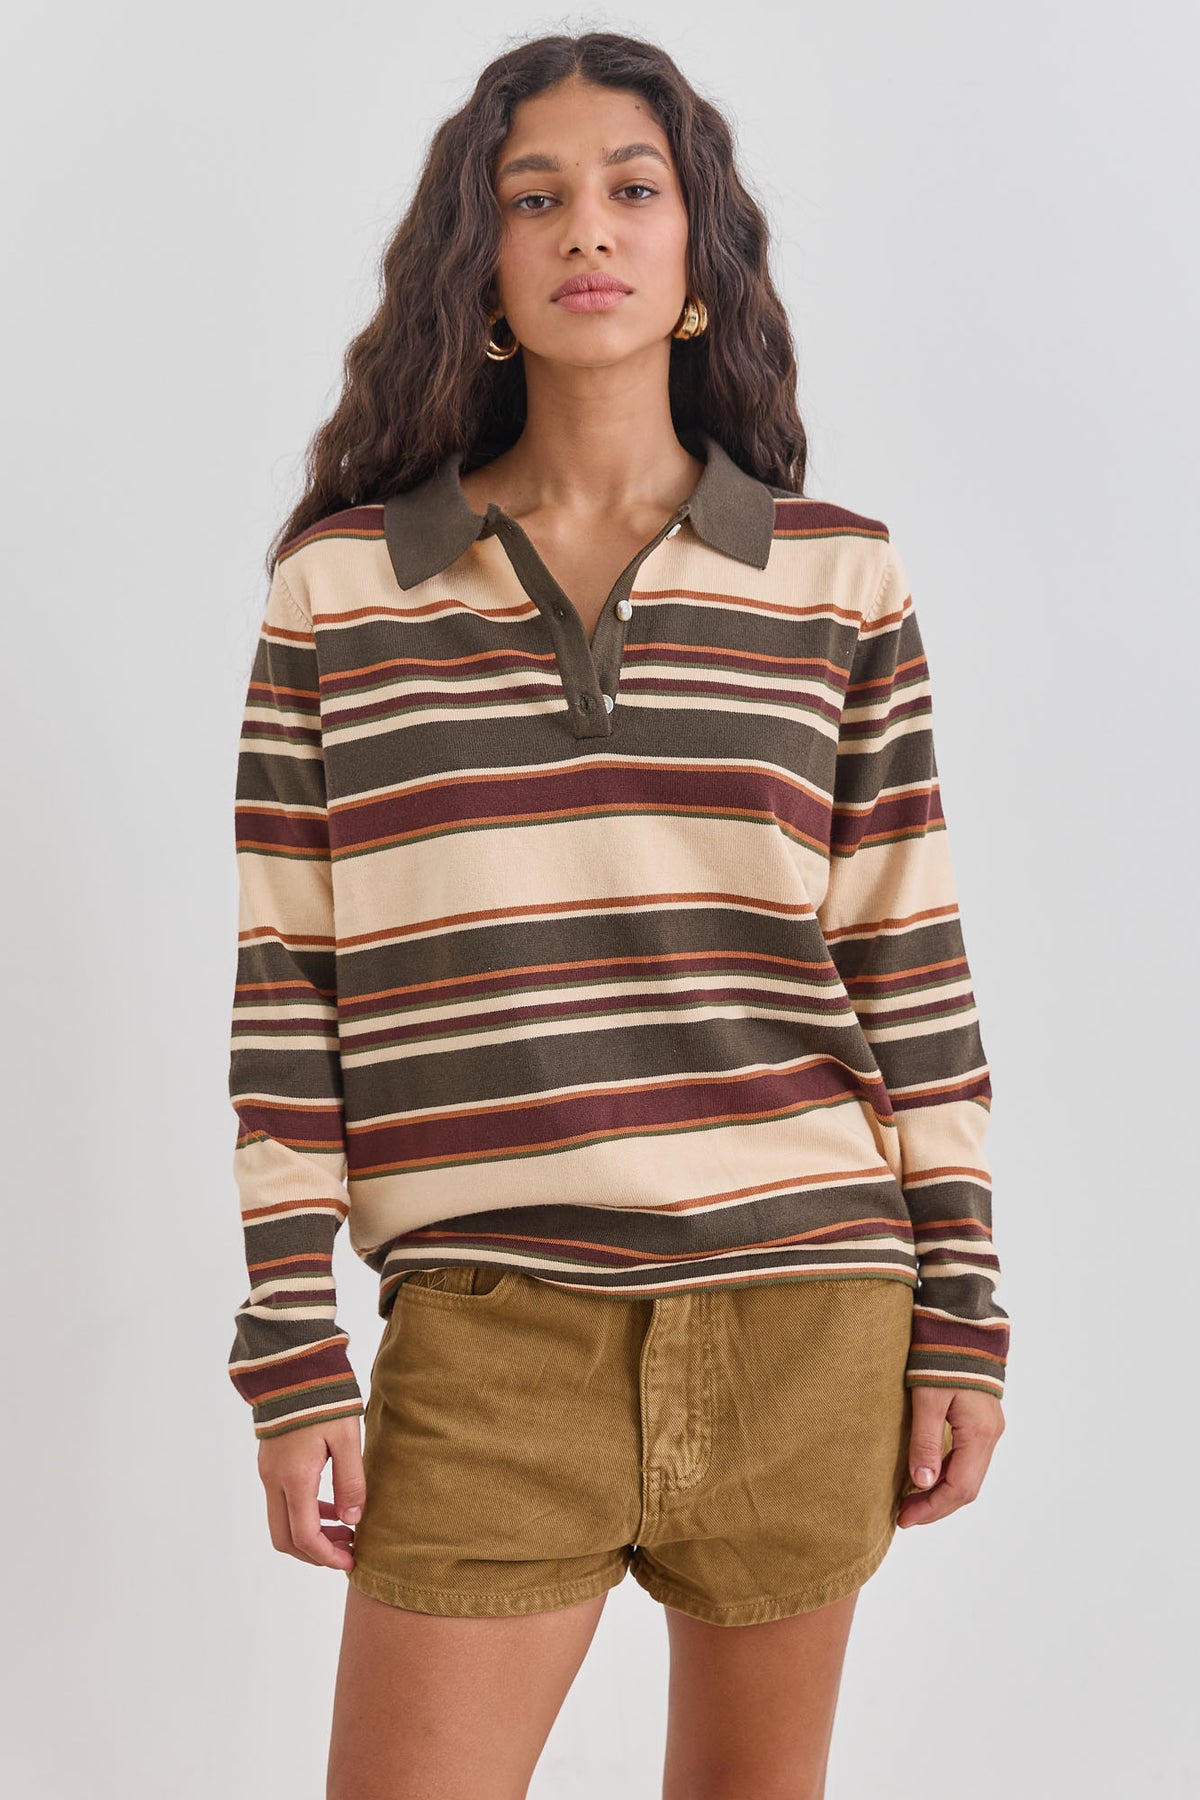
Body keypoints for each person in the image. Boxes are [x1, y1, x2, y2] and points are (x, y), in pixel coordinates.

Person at [225, 30, 1008, 1800]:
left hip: (809, 1308)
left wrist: (963, 1313)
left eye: (633, 188)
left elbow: (909, 967)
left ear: (695, 251)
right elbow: (288, 989)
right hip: (490, 1325)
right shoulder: (346, 588)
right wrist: (291, 1351)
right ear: (483, 266)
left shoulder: (835, 574)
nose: (589, 226)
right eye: (536, 196)